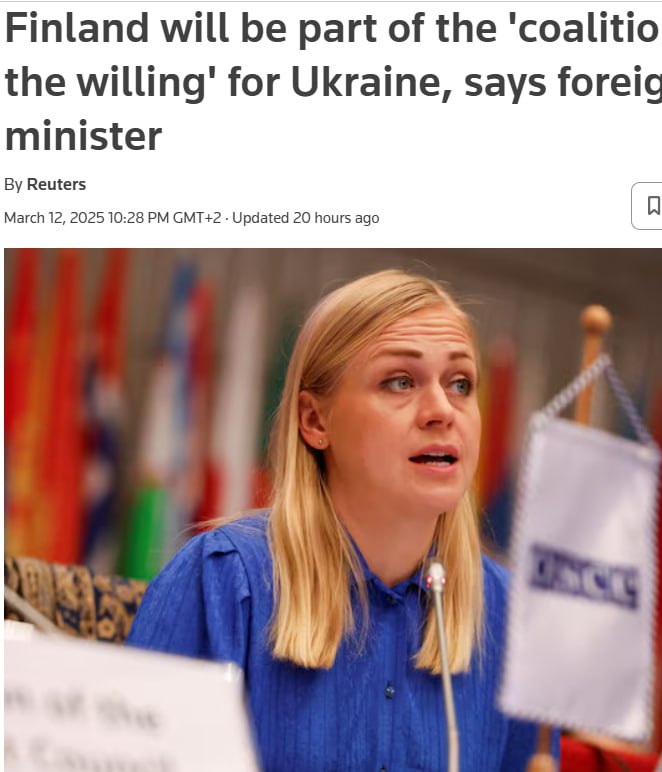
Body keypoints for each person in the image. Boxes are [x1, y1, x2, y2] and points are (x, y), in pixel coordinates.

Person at [126, 269, 557, 771]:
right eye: (400, 381)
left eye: (461, 384)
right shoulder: (223, 581)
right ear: (315, 421)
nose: (443, 410)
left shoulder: (509, 619)